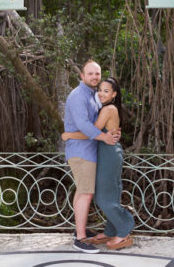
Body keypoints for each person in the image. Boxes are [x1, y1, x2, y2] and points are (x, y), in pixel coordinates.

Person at [62, 76, 134, 250]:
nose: (101, 93)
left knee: (103, 197)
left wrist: (69, 135)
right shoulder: (108, 108)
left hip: (109, 155)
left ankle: (124, 228)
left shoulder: (108, 110)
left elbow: (90, 133)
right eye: (100, 90)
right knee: (112, 193)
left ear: (114, 94)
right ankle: (111, 230)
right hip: (109, 152)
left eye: (106, 91)